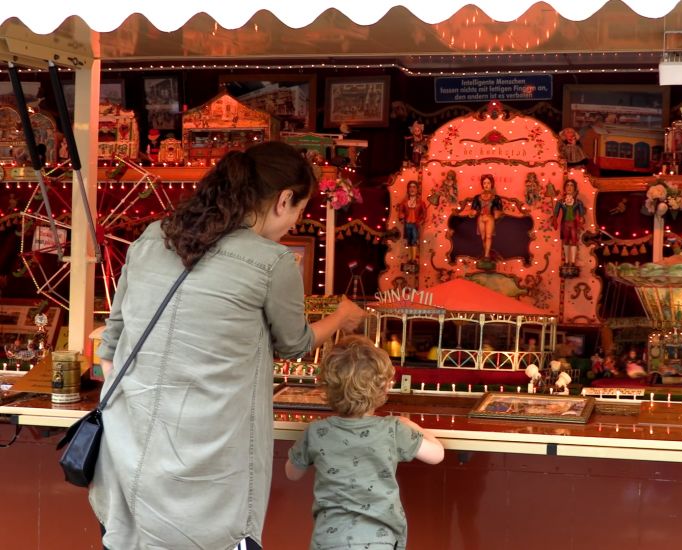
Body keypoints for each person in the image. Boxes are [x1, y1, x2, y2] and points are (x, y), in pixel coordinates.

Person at [91, 141, 367, 550]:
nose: (293, 223)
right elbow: (295, 344)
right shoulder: (272, 262)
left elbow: (110, 343)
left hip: (128, 453)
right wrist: (342, 319)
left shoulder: (151, 237)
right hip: (208, 467)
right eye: (298, 210)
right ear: (284, 199)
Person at [285, 336, 444, 549]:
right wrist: (411, 425)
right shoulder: (392, 429)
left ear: (326, 388)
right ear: (384, 387)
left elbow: (291, 473)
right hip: (380, 540)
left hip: (329, 541)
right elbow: (437, 455)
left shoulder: (316, 432)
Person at [552, 179, 586, 265]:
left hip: (573, 224)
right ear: (564, 188)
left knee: (574, 241)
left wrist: (582, 217)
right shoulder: (560, 202)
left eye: (571, 185)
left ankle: (573, 261)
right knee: (566, 241)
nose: (569, 187)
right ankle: (567, 261)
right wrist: (554, 219)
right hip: (565, 224)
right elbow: (556, 212)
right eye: (567, 185)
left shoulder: (578, 202)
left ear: (574, 188)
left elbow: (582, 213)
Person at [468, 174, 503, 260]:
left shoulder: (496, 198)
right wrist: (472, 213)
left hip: (489, 218)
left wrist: (497, 213)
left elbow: (499, 209)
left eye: (488, 183)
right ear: (482, 184)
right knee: (483, 237)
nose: (486, 185)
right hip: (481, 218)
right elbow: (473, 209)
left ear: (491, 184)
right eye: (484, 183)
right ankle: (486, 253)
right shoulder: (477, 197)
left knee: (488, 236)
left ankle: (487, 255)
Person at [398, 180, 427, 264]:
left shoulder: (421, 202)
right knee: (409, 240)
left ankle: (413, 259)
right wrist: (402, 217)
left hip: (415, 224)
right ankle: (410, 259)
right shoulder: (404, 202)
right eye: (410, 187)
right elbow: (401, 211)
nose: (412, 189)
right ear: (408, 189)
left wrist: (421, 220)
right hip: (407, 224)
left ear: (417, 189)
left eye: (414, 187)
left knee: (414, 240)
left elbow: (424, 213)